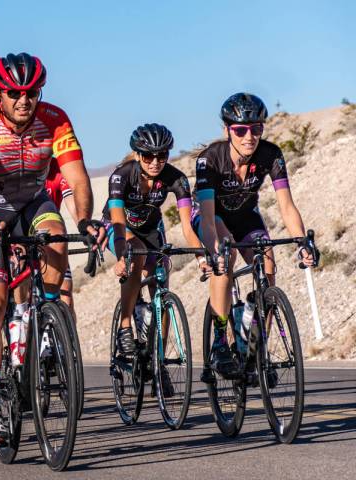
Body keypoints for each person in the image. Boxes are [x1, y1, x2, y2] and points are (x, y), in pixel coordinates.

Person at [0, 52, 104, 444]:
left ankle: (46, 317)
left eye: (32, 92)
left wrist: (87, 219)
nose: (24, 100)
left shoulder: (55, 119)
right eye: (14, 92)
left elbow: (77, 178)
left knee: (56, 234)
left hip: (32, 201)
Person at [192, 93, 315, 378]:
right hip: (213, 217)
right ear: (227, 130)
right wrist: (213, 251)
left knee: (268, 266)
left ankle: (257, 347)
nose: (250, 136)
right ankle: (221, 340)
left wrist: (302, 242)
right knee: (226, 253)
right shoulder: (210, 160)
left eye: (257, 128)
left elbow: (286, 205)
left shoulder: (271, 155)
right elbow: (208, 219)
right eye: (240, 130)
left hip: (246, 216)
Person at [103, 124, 208, 395]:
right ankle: (126, 325)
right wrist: (121, 257)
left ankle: (157, 360)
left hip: (152, 228)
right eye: (148, 156)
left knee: (161, 285)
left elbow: (187, 227)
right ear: (138, 155)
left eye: (162, 156)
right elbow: (116, 221)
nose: (155, 162)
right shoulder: (121, 176)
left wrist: (200, 257)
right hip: (119, 226)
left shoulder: (177, 179)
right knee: (135, 253)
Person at [44, 158, 79, 310]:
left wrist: (84, 225)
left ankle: (68, 332)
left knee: (66, 295)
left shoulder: (57, 168)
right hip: (26, 238)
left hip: (53, 237)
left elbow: (71, 201)